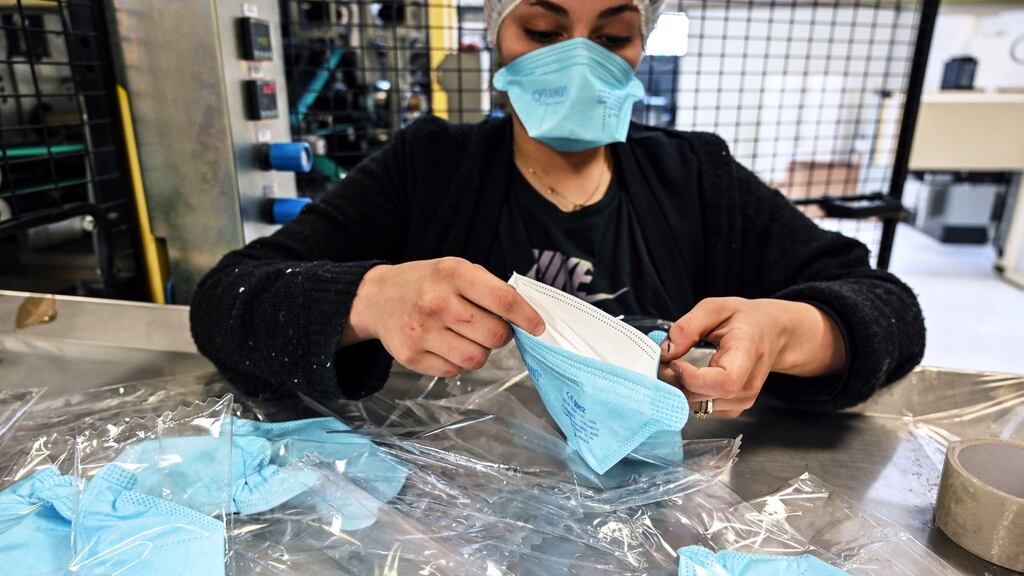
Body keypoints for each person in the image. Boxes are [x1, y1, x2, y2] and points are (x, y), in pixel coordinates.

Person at [190, 0, 925, 418]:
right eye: (543, 32)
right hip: (454, 517)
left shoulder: (696, 177)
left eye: (612, 37)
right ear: (495, 34)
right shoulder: (430, 169)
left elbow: (888, 309)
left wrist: (791, 330)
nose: (579, 61)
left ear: (642, 44)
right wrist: (366, 299)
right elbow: (226, 300)